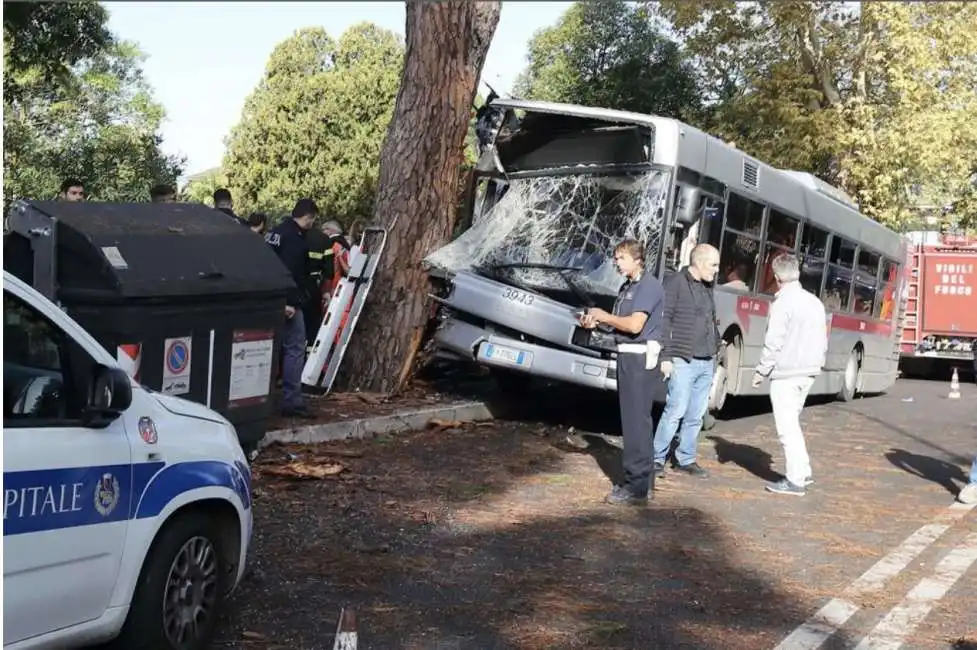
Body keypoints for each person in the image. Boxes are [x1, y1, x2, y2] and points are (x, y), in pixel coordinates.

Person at [579, 239, 665, 505]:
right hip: (627, 355)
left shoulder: (648, 286)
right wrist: (596, 322)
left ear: (637, 259)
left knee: (635, 423)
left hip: (639, 359)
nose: (616, 263)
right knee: (637, 421)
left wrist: (604, 316)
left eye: (621, 258)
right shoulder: (628, 286)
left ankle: (635, 486)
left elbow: (635, 325)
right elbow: (619, 325)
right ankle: (644, 482)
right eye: (616, 258)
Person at [751, 252, 827, 496]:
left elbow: (774, 342)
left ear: (775, 276)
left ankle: (795, 480)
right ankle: (802, 471)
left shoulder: (783, 303)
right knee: (793, 423)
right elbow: (823, 339)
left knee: (787, 428)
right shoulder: (814, 302)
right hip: (808, 372)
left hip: (786, 373)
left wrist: (761, 371)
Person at [652, 243, 721, 480]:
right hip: (683, 359)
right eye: (713, 264)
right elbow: (664, 320)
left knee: (696, 414)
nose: (716, 270)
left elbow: (711, 320)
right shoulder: (676, 282)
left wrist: (716, 351)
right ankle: (656, 459)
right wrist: (666, 356)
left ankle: (686, 458)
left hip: (707, 358)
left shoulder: (707, 285)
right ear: (699, 263)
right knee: (676, 410)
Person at [265, 198, 318, 418]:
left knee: (271, 350)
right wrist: (290, 301)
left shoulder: (275, 232)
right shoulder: (295, 239)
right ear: (308, 217)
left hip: (268, 299)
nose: (312, 225)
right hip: (287, 302)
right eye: (312, 220)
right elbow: (291, 271)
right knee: (295, 348)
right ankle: (291, 400)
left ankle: (266, 397)